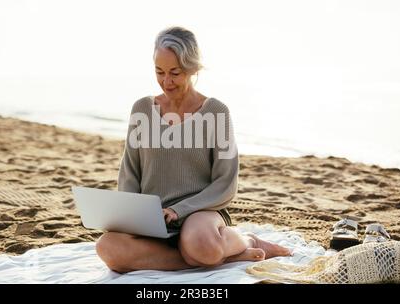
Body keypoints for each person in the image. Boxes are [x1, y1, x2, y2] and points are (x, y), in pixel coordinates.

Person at [96, 26, 291, 273]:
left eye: (175, 73)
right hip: (153, 220)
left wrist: (180, 210)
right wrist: (130, 216)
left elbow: (225, 184)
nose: (166, 81)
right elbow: (130, 175)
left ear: (193, 69)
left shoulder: (216, 112)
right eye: (159, 72)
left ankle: (248, 240)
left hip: (201, 214)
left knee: (201, 245)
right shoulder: (142, 110)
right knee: (107, 247)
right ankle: (219, 258)